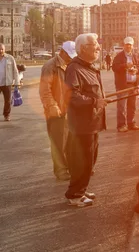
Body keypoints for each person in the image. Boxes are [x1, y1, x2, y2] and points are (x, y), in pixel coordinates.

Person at [64, 33, 107, 208]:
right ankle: (75, 195)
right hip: (82, 125)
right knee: (82, 161)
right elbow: (72, 96)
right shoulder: (74, 69)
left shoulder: (87, 67)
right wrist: (94, 101)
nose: (98, 47)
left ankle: (82, 188)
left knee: (90, 159)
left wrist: (98, 100)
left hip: (91, 123)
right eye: (94, 44)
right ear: (83, 48)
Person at [39, 41, 77, 181]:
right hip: (56, 111)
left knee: (70, 142)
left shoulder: (70, 64)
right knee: (58, 143)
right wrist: (52, 106)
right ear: (62, 52)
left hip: (69, 110)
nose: (70, 58)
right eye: (68, 55)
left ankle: (72, 168)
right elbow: (45, 90)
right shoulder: (50, 66)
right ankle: (60, 170)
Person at [112, 36, 139, 132]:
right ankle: (121, 125)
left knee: (132, 106)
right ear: (123, 45)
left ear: (132, 46)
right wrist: (125, 66)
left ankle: (131, 123)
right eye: (127, 45)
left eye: (130, 45)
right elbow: (114, 67)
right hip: (122, 85)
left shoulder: (135, 56)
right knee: (122, 106)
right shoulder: (119, 56)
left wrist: (136, 71)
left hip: (133, 85)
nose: (128, 47)